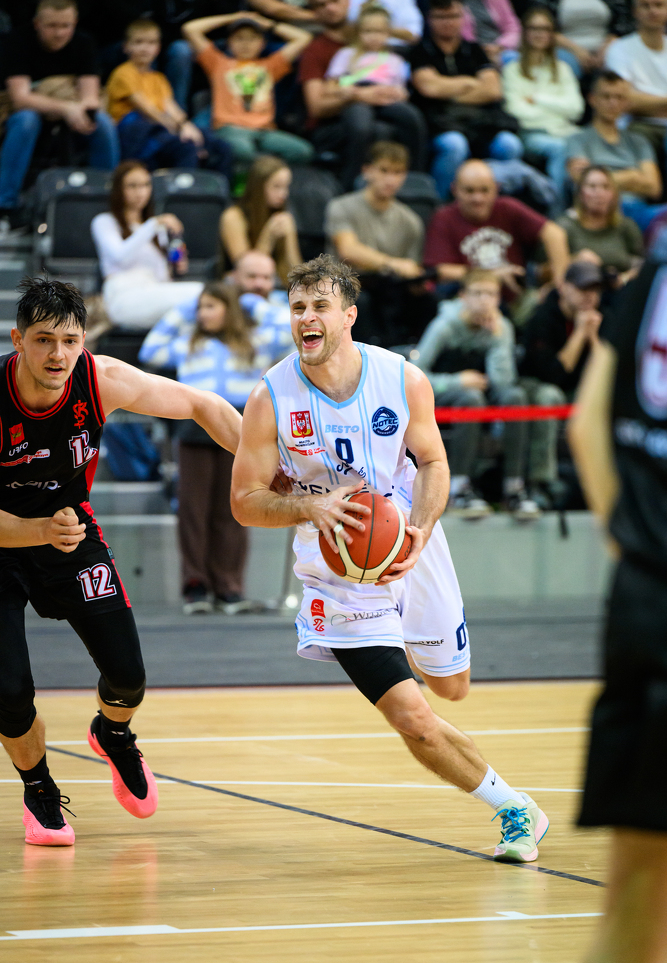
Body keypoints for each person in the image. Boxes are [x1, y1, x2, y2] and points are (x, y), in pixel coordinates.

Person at [231, 253, 550, 863]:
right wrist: (309, 506)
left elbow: (433, 461)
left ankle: (413, 641)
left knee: (451, 688)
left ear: (348, 315)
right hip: (335, 573)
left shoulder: (402, 378)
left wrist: (420, 532)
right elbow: (244, 502)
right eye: (297, 308)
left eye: (320, 306)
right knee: (413, 717)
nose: (306, 318)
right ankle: (516, 809)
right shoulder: (269, 397)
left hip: (406, 543)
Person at [0, 276, 241, 846]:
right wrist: (37, 530)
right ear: (18, 340)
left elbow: (202, 404)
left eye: (70, 341)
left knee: (128, 676)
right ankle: (38, 787)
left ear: (84, 341)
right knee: (8, 693)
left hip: (68, 534)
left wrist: (272, 470)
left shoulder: (101, 379)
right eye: (43, 340)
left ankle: (112, 734)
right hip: (10, 540)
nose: (58, 355)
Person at [568, 261, 667, 963]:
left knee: (634, 892)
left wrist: (631, 546)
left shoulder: (652, 276)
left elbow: (584, 428)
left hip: (646, 595)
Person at [140, 282, 288, 615]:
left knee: (236, 506)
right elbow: (150, 350)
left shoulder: (255, 341)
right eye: (200, 308)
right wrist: (186, 306)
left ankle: (229, 587)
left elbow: (286, 330)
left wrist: (250, 302)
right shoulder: (189, 342)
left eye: (211, 306)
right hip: (194, 427)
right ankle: (196, 586)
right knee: (192, 509)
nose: (202, 314)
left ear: (229, 309)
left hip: (242, 425)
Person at [414, 268, 544, 518]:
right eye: (478, 293)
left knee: (516, 397)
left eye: (491, 294)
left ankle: (514, 488)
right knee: (471, 399)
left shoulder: (501, 327)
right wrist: (457, 381)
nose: (485, 300)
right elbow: (414, 375)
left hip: (485, 392)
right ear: (463, 296)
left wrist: (498, 339)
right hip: (444, 391)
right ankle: (458, 488)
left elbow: (503, 383)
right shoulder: (444, 326)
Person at [0, 0, 119, 223]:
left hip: (71, 110)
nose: (59, 33)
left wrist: (78, 110)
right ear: (37, 24)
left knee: (103, 123)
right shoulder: (17, 41)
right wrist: (66, 108)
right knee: (26, 121)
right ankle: (5, 203)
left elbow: (90, 97)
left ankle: (106, 200)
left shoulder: (84, 42)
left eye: (66, 26)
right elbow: (20, 98)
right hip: (23, 113)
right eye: (52, 26)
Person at [300, 0, 419, 190]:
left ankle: (415, 180)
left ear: (349, 1)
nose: (330, 8)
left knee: (408, 118)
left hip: (384, 101)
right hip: (344, 112)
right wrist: (359, 94)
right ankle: (351, 184)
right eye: (322, 4)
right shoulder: (333, 52)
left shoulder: (393, 58)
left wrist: (397, 94)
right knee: (366, 124)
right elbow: (319, 103)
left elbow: (401, 86)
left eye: (335, 0)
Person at [409, 0, 523, 201]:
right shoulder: (420, 51)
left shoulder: (474, 50)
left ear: (463, 17)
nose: (448, 22)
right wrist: (470, 83)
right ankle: (440, 206)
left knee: (510, 144)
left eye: (454, 16)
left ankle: (500, 206)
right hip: (441, 124)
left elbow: (493, 90)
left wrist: (448, 91)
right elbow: (429, 88)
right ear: (430, 18)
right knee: (455, 145)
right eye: (441, 17)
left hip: (481, 122)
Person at [423, 159, 569, 317]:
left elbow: (554, 234)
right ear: (455, 190)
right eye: (469, 191)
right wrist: (492, 274)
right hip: (467, 303)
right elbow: (439, 270)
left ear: (496, 189)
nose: (478, 198)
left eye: (484, 190)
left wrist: (560, 287)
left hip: (515, 301)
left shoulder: (507, 208)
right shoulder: (444, 218)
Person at [325, 140, 427, 344]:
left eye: (398, 172)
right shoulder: (341, 206)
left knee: (424, 302)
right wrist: (393, 263)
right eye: (384, 170)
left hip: (390, 290)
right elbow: (348, 250)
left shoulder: (411, 222)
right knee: (361, 301)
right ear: (367, 171)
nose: (390, 179)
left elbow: (412, 269)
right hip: (347, 286)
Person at [182, 10, 314, 167]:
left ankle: (268, 175)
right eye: (239, 38)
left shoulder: (270, 66)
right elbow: (190, 29)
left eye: (252, 38)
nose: (246, 44)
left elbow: (304, 38)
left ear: (263, 43)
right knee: (244, 151)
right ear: (229, 42)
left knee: (303, 151)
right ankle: (261, 173)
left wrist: (268, 24)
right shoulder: (218, 63)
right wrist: (232, 17)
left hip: (265, 132)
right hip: (231, 129)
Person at [106, 19, 233, 176]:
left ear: (158, 48)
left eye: (151, 43)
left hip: (162, 129)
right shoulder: (123, 73)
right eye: (138, 42)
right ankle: (183, 190)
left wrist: (187, 126)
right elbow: (148, 110)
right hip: (137, 135)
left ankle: (218, 190)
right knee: (185, 147)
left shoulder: (159, 78)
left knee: (221, 146)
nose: (145, 48)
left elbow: (171, 108)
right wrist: (179, 130)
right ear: (126, 46)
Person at [91, 161, 204, 329]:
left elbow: (162, 277)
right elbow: (120, 256)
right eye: (132, 186)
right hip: (124, 297)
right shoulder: (104, 222)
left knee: (199, 310)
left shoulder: (156, 229)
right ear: (118, 189)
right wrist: (153, 224)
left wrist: (176, 266)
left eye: (145, 185)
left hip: (155, 292)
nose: (140, 192)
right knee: (200, 293)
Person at [324, 4, 427, 171]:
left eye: (379, 32)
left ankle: (415, 172)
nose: (374, 37)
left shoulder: (395, 59)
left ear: (388, 33)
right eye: (368, 31)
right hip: (357, 97)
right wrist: (354, 92)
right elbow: (330, 87)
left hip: (385, 97)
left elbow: (402, 90)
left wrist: (398, 94)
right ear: (358, 32)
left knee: (412, 117)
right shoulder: (346, 54)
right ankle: (352, 175)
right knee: (361, 127)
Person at [502, 8, 585, 216]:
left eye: (545, 29)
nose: (540, 34)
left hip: (566, 131)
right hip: (532, 134)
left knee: (590, 145)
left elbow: (576, 109)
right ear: (525, 32)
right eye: (534, 28)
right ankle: (557, 215)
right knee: (561, 148)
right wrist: (557, 111)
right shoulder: (512, 70)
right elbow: (516, 111)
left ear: (552, 34)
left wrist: (537, 99)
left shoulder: (563, 69)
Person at [566, 71, 666, 232]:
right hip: (602, 211)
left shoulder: (638, 141)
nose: (613, 103)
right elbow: (582, 183)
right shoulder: (577, 140)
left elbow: (654, 187)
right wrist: (633, 176)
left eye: (619, 98)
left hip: (640, 211)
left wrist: (603, 181)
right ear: (592, 99)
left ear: (626, 103)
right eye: (606, 96)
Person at [157, 0, 248, 110]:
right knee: (181, 51)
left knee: (242, 48)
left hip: (223, 40)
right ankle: (178, 111)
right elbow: (173, 23)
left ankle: (234, 110)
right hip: (185, 40)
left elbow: (240, 21)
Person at [521, 259, 604, 399]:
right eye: (582, 288)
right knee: (550, 395)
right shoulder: (542, 319)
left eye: (595, 289)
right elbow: (552, 375)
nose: (590, 295)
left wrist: (593, 338)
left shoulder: (602, 316)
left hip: (577, 387)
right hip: (538, 384)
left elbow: (610, 373)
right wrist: (580, 333)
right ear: (562, 288)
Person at [528, 0, 632, 75]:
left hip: (606, 47)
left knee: (618, 62)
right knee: (566, 65)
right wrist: (576, 50)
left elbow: (622, 21)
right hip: (564, 48)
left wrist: (606, 49)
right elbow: (541, 23)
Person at [604, 0, 667, 158]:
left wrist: (645, 102)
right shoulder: (619, 48)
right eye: (645, 6)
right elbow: (623, 100)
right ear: (634, 11)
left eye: (659, 5)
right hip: (638, 125)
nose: (652, 11)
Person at [52, 0, 146, 78]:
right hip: (76, 42)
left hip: (116, 43)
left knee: (136, 45)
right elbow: (64, 17)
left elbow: (132, 19)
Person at [219, 155, 301, 288]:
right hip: (238, 288)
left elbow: (296, 273)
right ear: (258, 186)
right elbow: (247, 271)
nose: (284, 194)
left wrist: (289, 238)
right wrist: (268, 237)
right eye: (277, 187)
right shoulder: (233, 216)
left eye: (286, 187)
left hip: (274, 286)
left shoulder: (282, 216)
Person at [558, 166, 644, 287]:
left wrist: (624, 278)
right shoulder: (565, 227)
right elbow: (541, 272)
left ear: (614, 194)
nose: (599, 193)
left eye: (606, 187)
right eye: (592, 187)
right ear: (580, 193)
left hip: (621, 289)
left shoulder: (626, 226)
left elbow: (642, 266)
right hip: (580, 289)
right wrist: (573, 261)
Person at [446, 0, 521, 65]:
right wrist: (480, 50)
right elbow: (450, 32)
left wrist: (499, 46)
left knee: (514, 59)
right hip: (467, 53)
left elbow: (513, 27)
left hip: (501, 49)